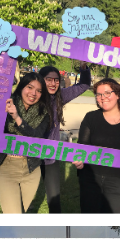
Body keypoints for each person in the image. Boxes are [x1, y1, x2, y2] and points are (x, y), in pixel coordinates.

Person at [0, 72, 51, 213]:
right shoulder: (5, 102)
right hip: (7, 166)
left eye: (39, 90)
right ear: (21, 87)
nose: (34, 93)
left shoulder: (44, 112)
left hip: (31, 169)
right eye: (30, 87)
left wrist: (17, 118)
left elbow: (36, 138)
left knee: (23, 211)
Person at [75, 78, 120, 213]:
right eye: (98, 94)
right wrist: (79, 159)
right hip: (91, 178)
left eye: (107, 93)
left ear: (118, 94)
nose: (102, 98)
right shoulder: (91, 117)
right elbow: (82, 146)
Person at [38, 63, 91, 213]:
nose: (53, 83)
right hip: (29, 156)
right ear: (41, 79)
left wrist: (84, 68)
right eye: (49, 79)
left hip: (50, 157)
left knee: (54, 199)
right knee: (24, 195)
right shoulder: (31, 95)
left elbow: (84, 85)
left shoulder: (60, 96)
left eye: (56, 80)